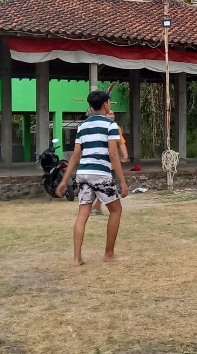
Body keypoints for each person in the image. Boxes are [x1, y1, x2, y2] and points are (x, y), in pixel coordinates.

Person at [56, 90, 129, 266]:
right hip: (100, 173)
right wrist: (123, 182)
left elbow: (75, 155)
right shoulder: (110, 125)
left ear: (90, 106)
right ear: (105, 105)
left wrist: (64, 180)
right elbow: (113, 155)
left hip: (83, 173)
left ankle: (76, 258)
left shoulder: (82, 126)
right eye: (109, 103)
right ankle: (109, 253)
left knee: (82, 214)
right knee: (116, 210)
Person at [92, 109, 129, 216]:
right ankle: (95, 206)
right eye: (109, 114)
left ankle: (96, 206)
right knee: (104, 186)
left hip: (111, 164)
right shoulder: (97, 127)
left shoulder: (116, 128)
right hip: (99, 162)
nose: (112, 116)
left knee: (108, 185)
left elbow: (121, 143)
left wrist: (125, 155)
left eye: (113, 114)